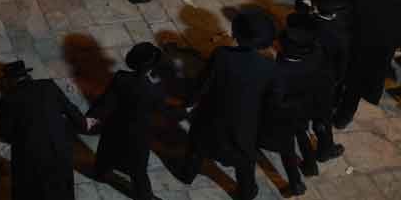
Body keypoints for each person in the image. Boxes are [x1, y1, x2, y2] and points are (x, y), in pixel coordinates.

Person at [178, 10, 278, 200]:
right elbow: (270, 100)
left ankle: (187, 174)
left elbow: (204, 83)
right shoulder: (270, 67)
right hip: (244, 124)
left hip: (212, 116)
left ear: (236, 33)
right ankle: (246, 192)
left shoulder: (222, 55)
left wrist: (188, 102)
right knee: (245, 162)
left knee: (197, 147)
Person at [0, 60, 93, 200]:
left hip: (30, 155)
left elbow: (6, 134)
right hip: (58, 147)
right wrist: (84, 123)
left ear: (9, 80)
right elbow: (69, 108)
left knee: (32, 189)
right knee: (62, 187)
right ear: (27, 75)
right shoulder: (48, 85)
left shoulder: (7, 99)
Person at [89, 43, 168, 200]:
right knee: (138, 169)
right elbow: (162, 109)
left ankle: (100, 174)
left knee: (107, 153)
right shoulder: (153, 90)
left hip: (115, 126)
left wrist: (92, 117)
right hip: (138, 134)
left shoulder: (120, 77)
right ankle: (145, 197)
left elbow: (106, 101)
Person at [333, 0, 401, 129]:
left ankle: (333, 104)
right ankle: (343, 118)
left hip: (357, 49)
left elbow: (350, 22)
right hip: (381, 53)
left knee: (344, 78)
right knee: (356, 89)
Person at [259, 27, 328, 197]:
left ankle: (296, 183)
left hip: (285, 114)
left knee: (287, 148)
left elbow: (275, 100)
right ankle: (310, 165)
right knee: (302, 133)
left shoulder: (277, 71)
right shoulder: (313, 60)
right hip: (304, 108)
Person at [308, 0, 349, 161]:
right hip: (324, 81)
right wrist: (336, 81)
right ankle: (325, 150)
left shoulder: (308, 22)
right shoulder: (340, 34)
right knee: (322, 118)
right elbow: (341, 65)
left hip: (304, 74)